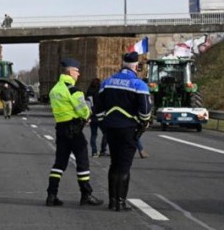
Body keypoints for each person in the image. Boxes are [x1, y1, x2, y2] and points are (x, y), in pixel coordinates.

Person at [94, 51, 152, 212]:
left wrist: (104, 123)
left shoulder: (107, 82)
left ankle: (112, 201)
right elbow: (145, 110)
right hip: (129, 129)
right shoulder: (139, 84)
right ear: (136, 66)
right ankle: (121, 202)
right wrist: (143, 123)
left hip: (111, 128)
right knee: (124, 166)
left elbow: (98, 107)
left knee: (114, 164)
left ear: (123, 64)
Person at [45, 58, 103, 207]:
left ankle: (51, 195)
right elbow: (83, 110)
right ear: (70, 72)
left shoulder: (54, 90)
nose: (79, 74)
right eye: (77, 71)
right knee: (82, 161)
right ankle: (86, 195)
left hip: (60, 129)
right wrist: (88, 115)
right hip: (74, 130)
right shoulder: (73, 90)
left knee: (59, 163)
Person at [85, 78, 109, 158]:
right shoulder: (101, 93)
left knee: (93, 134)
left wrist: (88, 116)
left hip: (92, 116)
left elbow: (87, 105)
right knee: (106, 133)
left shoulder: (89, 93)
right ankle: (103, 150)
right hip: (101, 116)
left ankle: (94, 152)